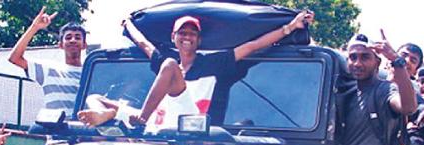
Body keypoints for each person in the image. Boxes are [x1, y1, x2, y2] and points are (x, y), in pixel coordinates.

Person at [78, 11, 314, 128]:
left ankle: (139, 117)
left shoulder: (211, 63)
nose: (187, 37)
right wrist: (128, 24)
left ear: (198, 40)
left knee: (169, 67)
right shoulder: (165, 57)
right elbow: (143, 43)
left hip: (187, 122)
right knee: (94, 97)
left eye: (192, 33)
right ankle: (108, 114)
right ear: (174, 37)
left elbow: (251, 46)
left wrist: (289, 27)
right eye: (183, 33)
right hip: (156, 125)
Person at [333, 32, 417, 145]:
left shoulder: (385, 90)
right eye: (353, 57)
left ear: (377, 62)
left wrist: (396, 60)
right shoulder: (346, 93)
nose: (357, 63)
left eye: (365, 57)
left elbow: (408, 107)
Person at [8, 7, 86, 119]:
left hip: (84, 134)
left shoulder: (91, 74)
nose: (73, 40)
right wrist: (34, 27)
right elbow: (14, 58)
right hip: (57, 134)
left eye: (77, 37)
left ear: (84, 45)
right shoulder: (48, 70)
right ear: (60, 45)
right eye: (68, 37)